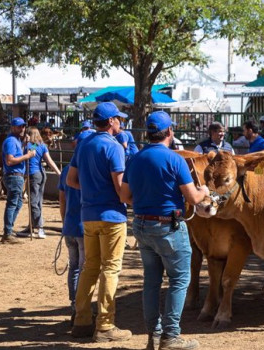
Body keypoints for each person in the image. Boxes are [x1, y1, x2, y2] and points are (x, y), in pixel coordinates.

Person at [120, 111, 209, 350]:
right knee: (180, 279)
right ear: (170, 132)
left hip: (141, 224)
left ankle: (154, 337)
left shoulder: (135, 159)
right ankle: (171, 336)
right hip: (168, 226)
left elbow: (124, 195)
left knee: (151, 281)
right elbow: (193, 197)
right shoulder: (175, 159)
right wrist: (206, 190)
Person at [66, 102, 132, 342]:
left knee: (90, 267)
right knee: (110, 268)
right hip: (111, 216)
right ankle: (105, 325)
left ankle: (81, 320)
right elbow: (120, 187)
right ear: (112, 121)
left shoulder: (83, 144)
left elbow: (72, 180)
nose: (121, 123)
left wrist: (93, 188)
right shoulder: (113, 147)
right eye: (119, 119)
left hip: (88, 215)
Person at [58, 131, 93, 323]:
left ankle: (74, 303)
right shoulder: (88, 170)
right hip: (83, 224)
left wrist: (64, 221)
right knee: (83, 267)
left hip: (70, 224)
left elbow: (62, 200)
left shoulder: (66, 170)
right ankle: (81, 306)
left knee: (74, 267)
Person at [17, 127, 61, 239]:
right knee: (38, 201)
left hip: (33, 175)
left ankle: (40, 227)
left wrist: (24, 143)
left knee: (33, 202)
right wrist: (58, 172)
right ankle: (31, 226)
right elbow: (49, 160)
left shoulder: (30, 146)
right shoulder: (40, 145)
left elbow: (25, 154)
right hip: (41, 174)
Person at [1, 117, 36, 244]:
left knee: (18, 203)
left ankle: (9, 229)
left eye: (23, 126)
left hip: (16, 175)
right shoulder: (11, 141)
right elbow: (10, 160)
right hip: (14, 175)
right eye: (19, 126)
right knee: (12, 203)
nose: (22, 128)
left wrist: (25, 146)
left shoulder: (16, 141)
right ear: (12, 127)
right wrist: (27, 155)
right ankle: (8, 232)